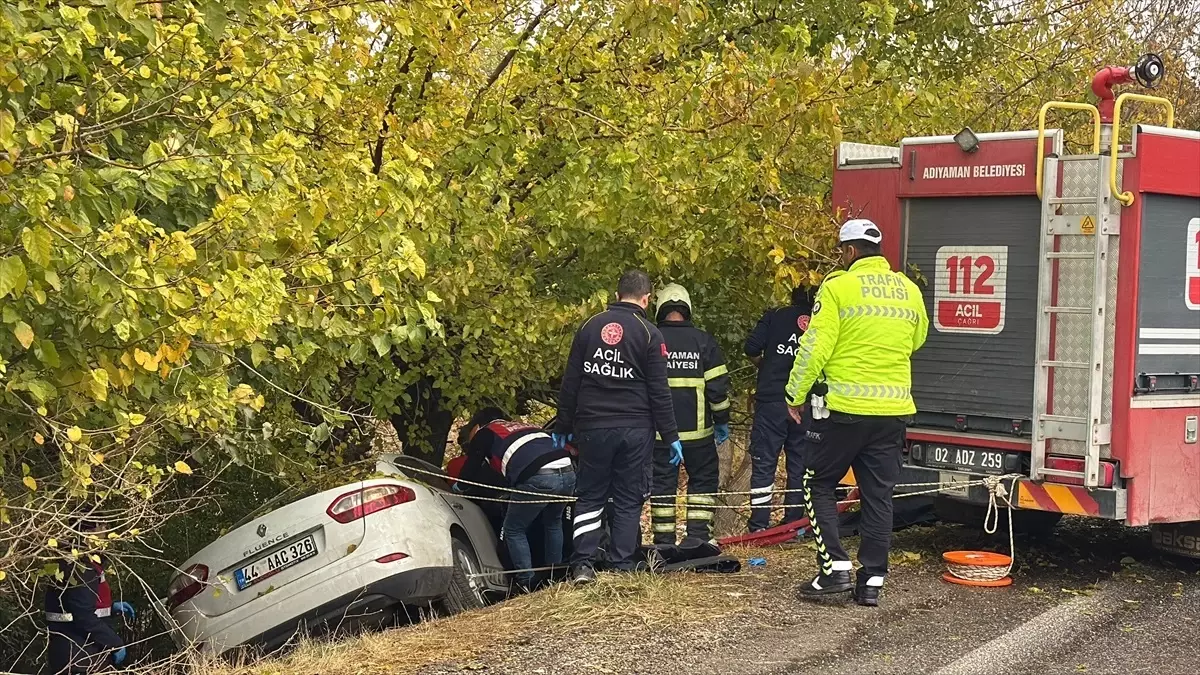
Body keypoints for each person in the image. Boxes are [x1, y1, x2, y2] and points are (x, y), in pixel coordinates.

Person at [785, 219, 928, 607]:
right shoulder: (908, 290)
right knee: (878, 495)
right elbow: (918, 339)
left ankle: (834, 569)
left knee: (818, 483)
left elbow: (815, 347)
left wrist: (794, 394)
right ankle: (873, 580)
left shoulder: (838, 288)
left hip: (844, 410)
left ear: (848, 252)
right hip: (893, 411)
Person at [556, 269, 682, 583]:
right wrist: (671, 436)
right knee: (629, 496)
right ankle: (621, 563)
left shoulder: (589, 327)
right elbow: (659, 391)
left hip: (594, 427)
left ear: (616, 296)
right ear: (646, 299)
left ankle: (583, 564)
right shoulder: (650, 333)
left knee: (590, 495)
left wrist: (563, 424)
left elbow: (571, 381)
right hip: (635, 429)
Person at [648, 283, 730, 552]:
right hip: (699, 436)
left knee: (662, 488)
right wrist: (722, 422)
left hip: (661, 436)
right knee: (703, 482)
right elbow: (717, 388)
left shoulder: (651, 338)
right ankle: (698, 538)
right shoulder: (703, 341)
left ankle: (663, 545)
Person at [461, 408, 576, 593]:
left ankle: (526, 581)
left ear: (475, 427)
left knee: (514, 529)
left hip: (539, 476)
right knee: (553, 522)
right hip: (567, 470)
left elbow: (469, 471)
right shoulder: (524, 427)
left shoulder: (486, 432)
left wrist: (458, 488)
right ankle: (555, 573)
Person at [743, 284, 817, 533]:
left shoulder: (775, 316)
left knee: (764, 465)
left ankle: (759, 527)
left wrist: (766, 366)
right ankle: (794, 525)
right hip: (805, 405)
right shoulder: (821, 320)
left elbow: (751, 347)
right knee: (799, 465)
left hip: (772, 401)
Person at [45, 524, 134, 674]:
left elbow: (77, 602)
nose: (105, 536)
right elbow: (83, 615)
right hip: (79, 654)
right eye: (101, 530)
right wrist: (114, 643)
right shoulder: (81, 567)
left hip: (74, 650)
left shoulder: (70, 560)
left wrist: (110, 607)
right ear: (87, 534)